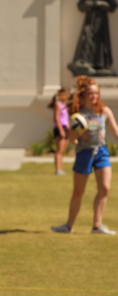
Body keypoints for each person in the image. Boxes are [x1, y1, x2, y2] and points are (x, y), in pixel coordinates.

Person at [52, 76, 117, 235]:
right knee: (78, 192)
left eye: (96, 93)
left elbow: (116, 132)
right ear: (84, 95)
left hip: (101, 152)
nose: (94, 96)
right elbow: (73, 141)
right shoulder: (77, 114)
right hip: (84, 153)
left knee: (105, 188)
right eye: (90, 93)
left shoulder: (104, 110)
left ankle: (97, 226)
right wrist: (76, 131)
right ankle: (69, 226)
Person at [48, 88, 70, 175]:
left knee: (63, 150)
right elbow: (56, 118)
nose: (67, 96)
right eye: (65, 94)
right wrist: (61, 130)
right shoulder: (58, 104)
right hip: (60, 128)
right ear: (60, 95)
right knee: (59, 150)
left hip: (65, 128)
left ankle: (61, 169)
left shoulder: (65, 105)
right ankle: (58, 169)